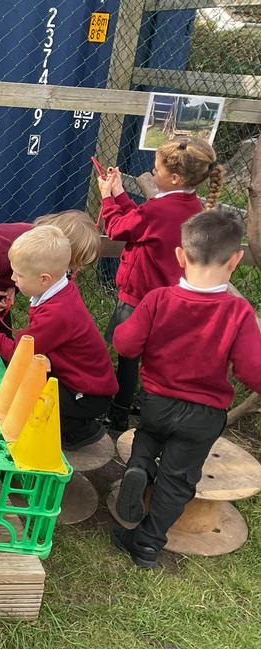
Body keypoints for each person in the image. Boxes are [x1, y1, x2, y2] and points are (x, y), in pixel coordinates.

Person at [110, 210, 261, 569]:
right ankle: (147, 545)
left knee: (148, 438)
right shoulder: (238, 312)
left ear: (180, 255)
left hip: (157, 402)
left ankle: (140, 468)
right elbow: (251, 369)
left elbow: (126, 344)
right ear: (235, 259)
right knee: (178, 480)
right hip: (203, 415)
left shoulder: (158, 299)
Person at [99, 137, 224, 431]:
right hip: (167, 298)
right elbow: (140, 223)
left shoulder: (158, 209)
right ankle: (148, 404)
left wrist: (106, 197)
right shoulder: (190, 205)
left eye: (156, 170)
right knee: (154, 356)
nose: (153, 173)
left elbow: (118, 229)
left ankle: (119, 413)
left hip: (138, 298)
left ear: (175, 177)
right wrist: (120, 194)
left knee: (128, 354)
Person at [0, 226, 118, 450]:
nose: (12, 278)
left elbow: (17, 354)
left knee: (28, 416)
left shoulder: (57, 313)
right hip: (74, 382)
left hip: (86, 395)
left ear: (44, 279)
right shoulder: (57, 293)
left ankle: (80, 430)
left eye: (19, 275)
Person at [0, 210, 101, 329]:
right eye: (71, 262)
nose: (73, 269)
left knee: (0, 340)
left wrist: (13, 286)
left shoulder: (38, 251)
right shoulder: (1, 248)